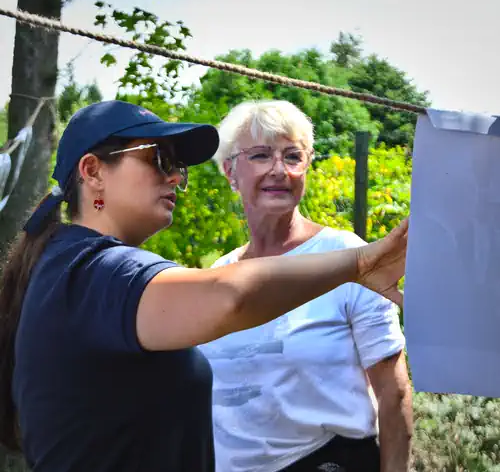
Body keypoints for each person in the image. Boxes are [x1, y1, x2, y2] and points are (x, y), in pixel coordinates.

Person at [0, 100, 408, 472]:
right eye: (160, 160)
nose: (176, 177)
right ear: (93, 172)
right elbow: (232, 296)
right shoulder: (97, 271)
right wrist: (360, 263)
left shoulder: (70, 267)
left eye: (180, 166)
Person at [198, 100, 412, 472]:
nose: (279, 170)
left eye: (293, 156)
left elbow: (394, 395)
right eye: (262, 155)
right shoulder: (222, 271)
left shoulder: (348, 258)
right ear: (230, 172)